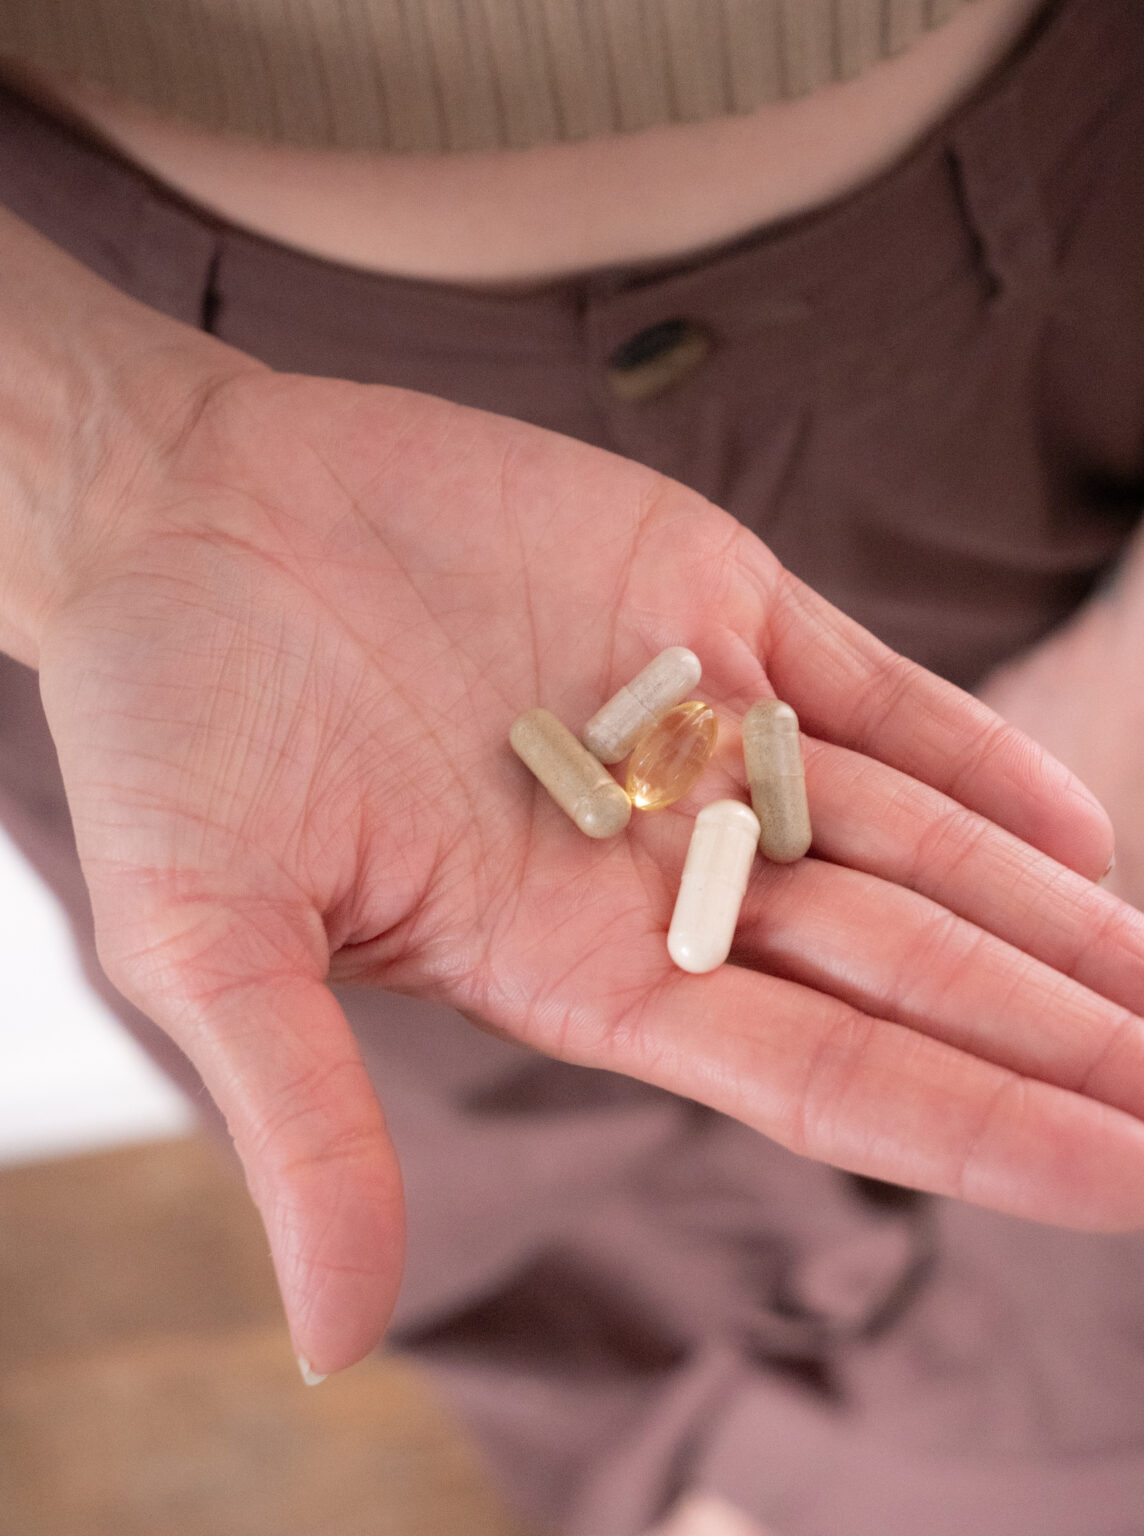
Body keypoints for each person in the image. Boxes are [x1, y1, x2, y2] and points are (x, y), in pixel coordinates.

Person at [0, 1, 1142, 1530]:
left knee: (1067, 1166)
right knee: (488, 1171)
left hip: (1058, 283)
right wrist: (94, 461)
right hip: (123, 352)